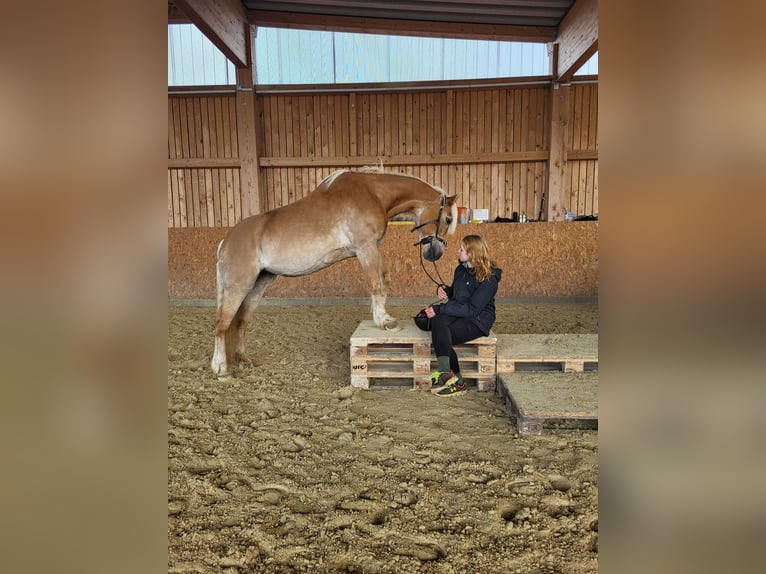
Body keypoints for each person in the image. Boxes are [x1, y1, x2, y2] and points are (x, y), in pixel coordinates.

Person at [424, 234, 502, 397]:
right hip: (461, 312)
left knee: (443, 334)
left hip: (477, 320)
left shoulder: (489, 278)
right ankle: (451, 377)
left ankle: (453, 379)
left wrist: (441, 309)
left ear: (472, 253)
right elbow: (459, 295)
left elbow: (473, 308)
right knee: (437, 323)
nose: (458, 251)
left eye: (462, 249)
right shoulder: (461, 270)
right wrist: (446, 290)